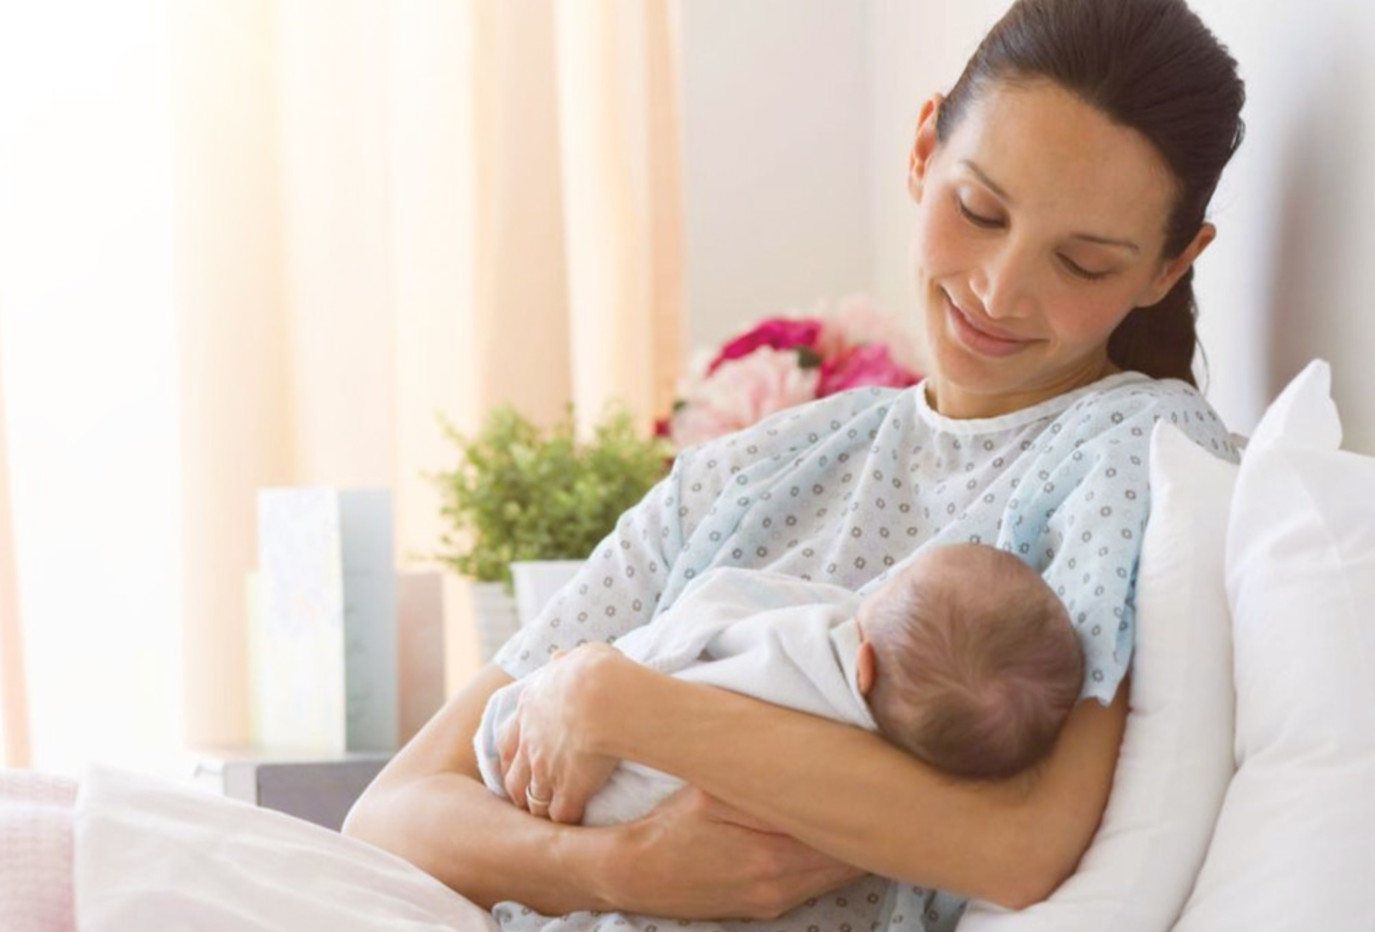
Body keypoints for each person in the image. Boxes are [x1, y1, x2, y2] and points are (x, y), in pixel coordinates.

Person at [342, 0, 1245, 928]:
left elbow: (1018, 843)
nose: (999, 288)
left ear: (1169, 268)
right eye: (978, 209)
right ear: (922, 148)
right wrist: (619, 868)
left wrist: (621, 705)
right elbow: (392, 814)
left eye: (1083, 264)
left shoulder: (1136, 460)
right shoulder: (751, 471)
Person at [476, 544, 1084, 836]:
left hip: (558, 765)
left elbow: (713, 607)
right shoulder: (901, 766)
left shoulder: (814, 639)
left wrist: (603, 676)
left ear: (863, 666)